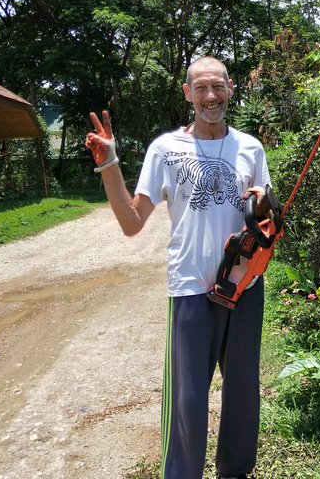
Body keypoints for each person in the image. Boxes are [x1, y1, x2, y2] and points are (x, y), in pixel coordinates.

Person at [86, 56, 270, 479]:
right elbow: (133, 222)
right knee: (187, 400)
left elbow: (262, 214)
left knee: (243, 391)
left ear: (230, 89)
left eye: (218, 86)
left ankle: (235, 471)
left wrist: (265, 213)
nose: (210, 96)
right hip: (191, 288)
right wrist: (109, 165)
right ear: (188, 93)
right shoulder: (166, 149)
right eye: (200, 87)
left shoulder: (251, 148)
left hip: (245, 286)